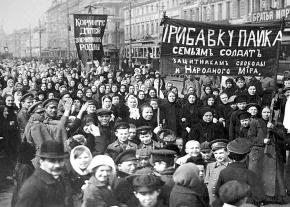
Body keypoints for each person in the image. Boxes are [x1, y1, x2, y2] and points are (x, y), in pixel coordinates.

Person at [15, 140, 73, 207]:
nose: (57, 165)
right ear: (41, 162)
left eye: (60, 160)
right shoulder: (32, 188)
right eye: (52, 161)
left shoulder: (59, 180)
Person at [248, 105, 286, 203]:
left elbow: (283, 136)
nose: (266, 114)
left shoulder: (276, 123)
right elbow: (251, 137)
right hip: (260, 152)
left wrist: (273, 128)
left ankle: (276, 197)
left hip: (273, 153)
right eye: (264, 112)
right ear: (261, 113)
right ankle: (259, 198)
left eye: (268, 112)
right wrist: (262, 140)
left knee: (275, 175)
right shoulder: (255, 122)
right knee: (260, 175)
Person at [214, 138, 264, 206]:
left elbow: (217, 192)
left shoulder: (223, 172)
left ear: (229, 154)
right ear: (246, 156)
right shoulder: (250, 174)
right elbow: (259, 197)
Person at [205, 139, 230, 205]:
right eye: (215, 153)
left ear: (227, 152)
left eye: (221, 153)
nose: (218, 156)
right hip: (211, 200)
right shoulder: (210, 166)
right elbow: (207, 183)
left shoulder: (231, 166)